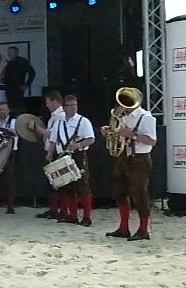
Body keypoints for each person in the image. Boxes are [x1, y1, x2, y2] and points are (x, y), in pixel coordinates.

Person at [102, 98, 157, 241]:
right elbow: (119, 135)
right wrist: (110, 132)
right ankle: (124, 228)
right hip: (124, 156)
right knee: (119, 191)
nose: (122, 105)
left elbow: (152, 141)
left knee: (139, 193)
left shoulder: (146, 117)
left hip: (139, 158)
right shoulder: (123, 117)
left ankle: (143, 230)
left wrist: (132, 135)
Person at [46, 95, 95, 226]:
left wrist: (78, 145)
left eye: (75, 105)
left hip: (78, 155)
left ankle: (87, 217)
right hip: (63, 155)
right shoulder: (59, 122)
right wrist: (50, 153)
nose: (73, 107)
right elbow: (53, 139)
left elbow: (91, 139)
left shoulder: (83, 121)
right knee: (67, 187)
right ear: (64, 107)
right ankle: (72, 216)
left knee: (83, 186)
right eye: (70, 105)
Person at [34, 91, 66, 219]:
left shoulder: (60, 116)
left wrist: (37, 128)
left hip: (57, 151)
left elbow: (51, 135)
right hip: (52, 150)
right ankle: (53, 209)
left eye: (48, 102)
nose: (47, 105)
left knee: (59, 182)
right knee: (52, 182)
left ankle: (61, 210)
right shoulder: (54, 116)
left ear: (54, 101)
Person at [1, 46, 36, 112]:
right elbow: (8, 78)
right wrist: (3, 80)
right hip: (9, 90)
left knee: (19, 108)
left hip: (18, 89)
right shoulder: (9, 64)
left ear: (16, 53)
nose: (9, 54)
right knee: (11, 107)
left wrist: (27, 84)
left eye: (11, 52)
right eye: (8, 52)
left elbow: (32, 73)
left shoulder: (22, 62)